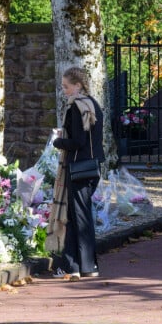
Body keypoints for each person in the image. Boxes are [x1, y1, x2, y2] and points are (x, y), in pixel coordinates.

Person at [48, 67, 105, 281]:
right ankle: (74, 265)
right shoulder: (93, 105)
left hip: (78, 167)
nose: (64, 90)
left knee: (77, 217)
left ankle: (82, 266)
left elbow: (77, 142)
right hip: (93, 167)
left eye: (66, 86)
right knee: (78, 216)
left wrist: (58, 141)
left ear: (78, 85)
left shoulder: (76, 108)